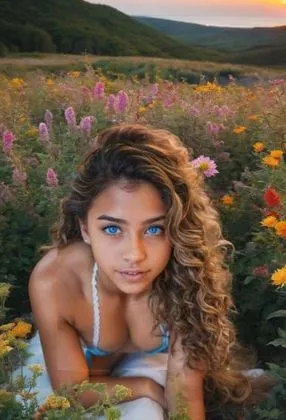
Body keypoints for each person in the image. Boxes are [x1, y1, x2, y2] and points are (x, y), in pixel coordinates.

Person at [28, 123, 257, 419]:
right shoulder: (56, 281)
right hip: (77, 376)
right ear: (85, 228)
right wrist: (146, 387)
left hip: (152, 361)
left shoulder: (187, 272)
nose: (134, 255)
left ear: (176, 228)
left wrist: (163, 393)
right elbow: (71, 390)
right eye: (112, 228)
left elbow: (185, 395)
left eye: (154, 229)